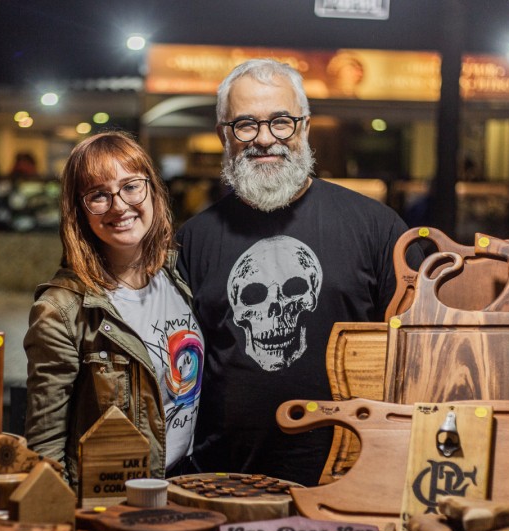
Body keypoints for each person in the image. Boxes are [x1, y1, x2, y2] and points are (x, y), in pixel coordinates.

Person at [176, 59, 414, 486]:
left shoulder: (378, 228)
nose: (265, 139)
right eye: (245, 125)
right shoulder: (192, 241)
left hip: (349, 481)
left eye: (281, 122)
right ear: (223, 136)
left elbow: (414, 360)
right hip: (222, 484)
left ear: (304, 128)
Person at [24, 131, 204, 490]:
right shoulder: (62, 310)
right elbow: (45, 451)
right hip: (115, 499)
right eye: (99, 195)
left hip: (188, 482)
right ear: (79, 211)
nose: (119, 205)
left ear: (151, 189)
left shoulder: (181, 275)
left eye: (131, 187)